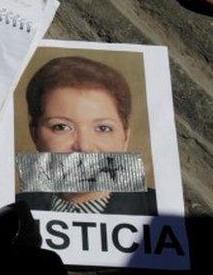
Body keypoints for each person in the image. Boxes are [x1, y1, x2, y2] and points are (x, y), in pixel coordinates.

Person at [16, 56, 158, 216]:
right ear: (34, 134)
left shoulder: (160, 209)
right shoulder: (13, 209)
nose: (84, 147)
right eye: (61, 127)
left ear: (125, 136)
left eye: (103, 128)